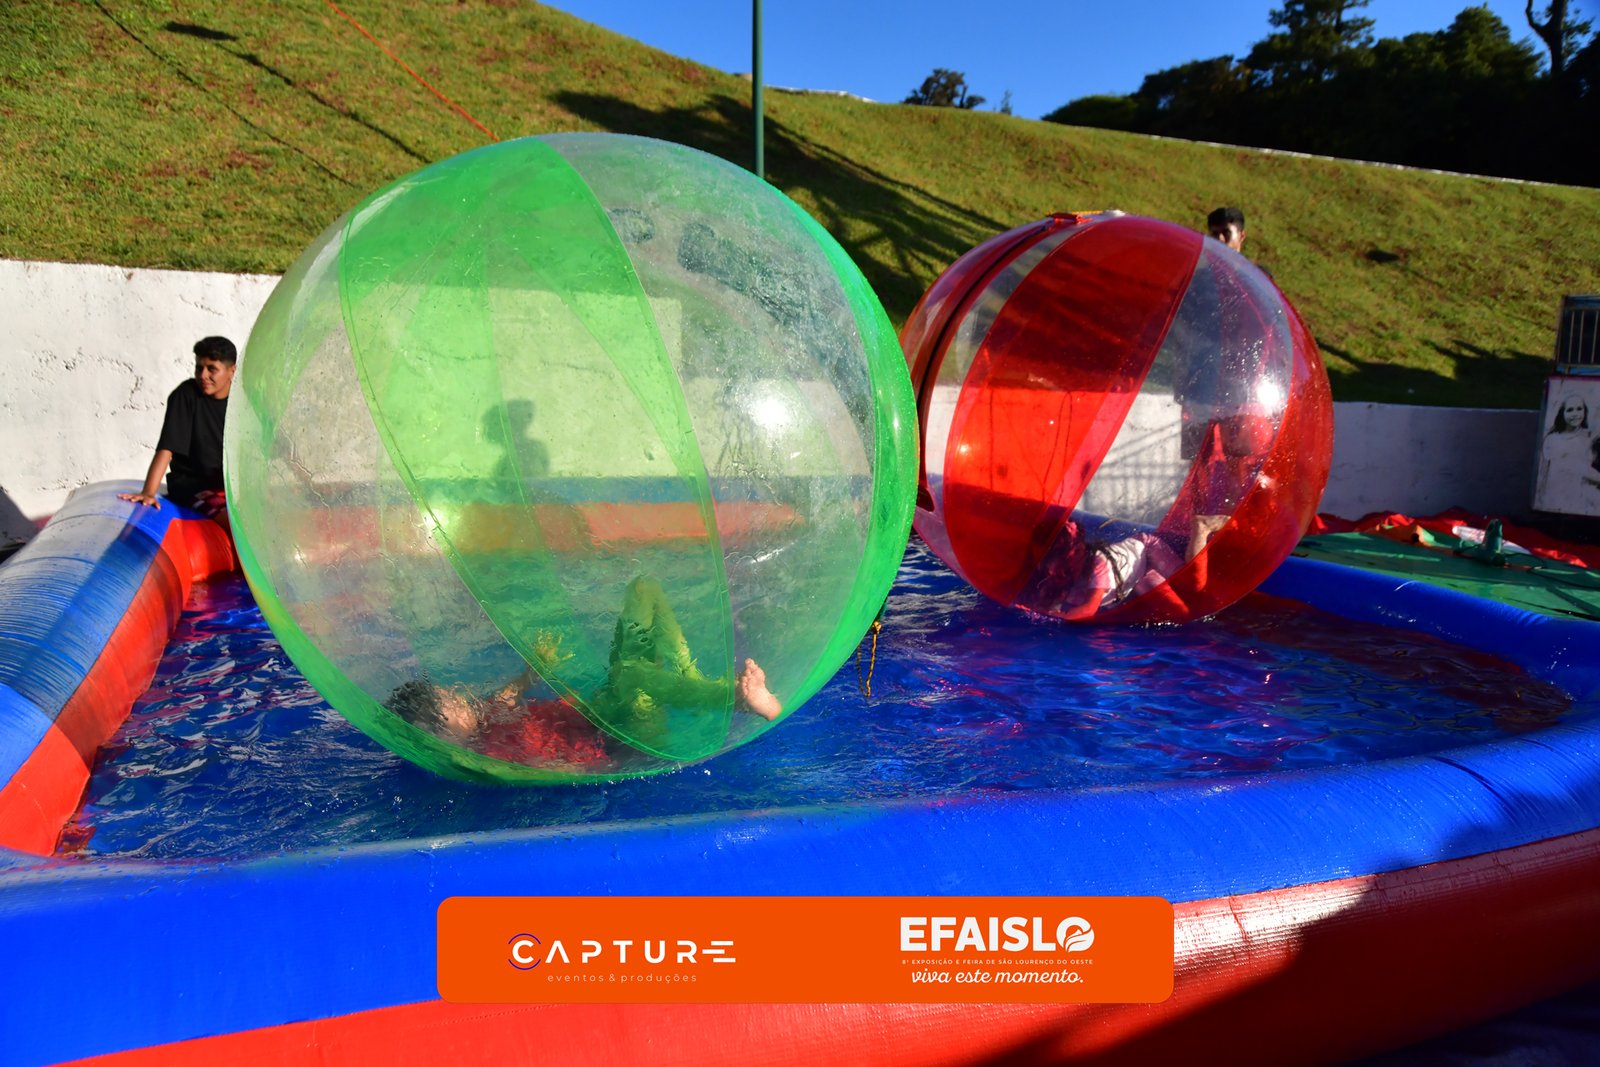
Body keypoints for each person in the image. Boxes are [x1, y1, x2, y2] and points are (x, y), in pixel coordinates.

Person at [387, 576, 782, 763]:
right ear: (434, 735)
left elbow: (509, 694)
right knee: (631, 674)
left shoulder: (485, 716)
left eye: (450, 694)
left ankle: (695, 684)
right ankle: (738, 700)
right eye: (449, 707)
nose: (460, 699)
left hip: (604, 709)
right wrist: (622, 758)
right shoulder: (491, 755)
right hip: (623, 738)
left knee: (644, 588)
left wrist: (533, 671)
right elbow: (567, 770)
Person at [119, 336, 237, 525]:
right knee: (233, 523)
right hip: (192, 486)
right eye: (199, 368)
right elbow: (168, 447)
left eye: (212, 369)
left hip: (229, 487)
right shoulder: (186, 395)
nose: (203, 375)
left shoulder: (241, 401)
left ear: (232, 370)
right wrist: (148, 492)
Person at [1024, 519, 1183, 621]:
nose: (1050, 571)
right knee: (1175, 612)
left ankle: (1197, 525)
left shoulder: (1098, 564)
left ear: (1079, 550)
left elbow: (1088, 610)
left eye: (1059, 559)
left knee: (1186, 581)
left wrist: (1053, 616)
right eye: (1045, 562)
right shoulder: (1060, 572)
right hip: (1138, 578)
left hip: (1146, 550)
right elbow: (1045, 606)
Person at [1535, 394, 1599, 514]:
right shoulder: (1553, 439)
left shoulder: (1590, 437)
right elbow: (1545, 472)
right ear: (1562, 413)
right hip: (1559, 496)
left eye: (1579, 409)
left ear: (1585, 411)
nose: (1575, 414)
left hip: (1585, 496)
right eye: (1570, 410)